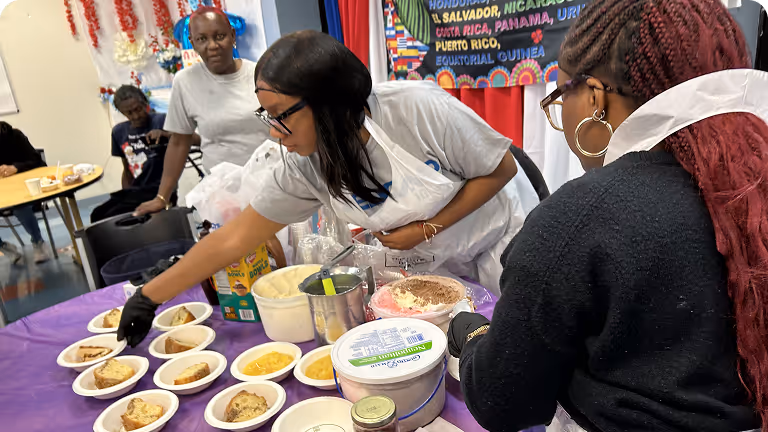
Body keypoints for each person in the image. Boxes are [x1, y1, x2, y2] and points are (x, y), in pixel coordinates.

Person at [448, 1, 767, 431]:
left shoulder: (580, 217)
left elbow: (502, 401)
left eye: (561, 96)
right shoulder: (753, 187)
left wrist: (470, 334)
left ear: (595, 98)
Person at [116, 30, 539, 348]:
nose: (276, 133)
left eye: (282, 115)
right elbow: (237, 236)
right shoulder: (305, 164)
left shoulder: (418, 109)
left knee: (522, 349)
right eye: (267, 115)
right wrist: (149, 297)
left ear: (329, 102)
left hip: (501, 247)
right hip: (435, 272)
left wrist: (426, 228)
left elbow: (499, 170)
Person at [133, 6, 271, 217]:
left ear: (232, 36)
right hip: (224, 194)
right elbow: (179, 141)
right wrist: (162, 197)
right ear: (193, 42)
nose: (212, 46)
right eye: (202, 39)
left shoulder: (260, 74)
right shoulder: (186, 82)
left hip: (270, 184)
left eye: (220, 36)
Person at [90, 86, 182, 223]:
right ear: (122, 113)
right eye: (129, 113)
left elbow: (185, 140)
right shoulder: (119, 132)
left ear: (145, 103)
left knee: (110, 218)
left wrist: (166, 135)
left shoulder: (160, 121)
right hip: (136, 191)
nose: (136, 116)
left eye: (138, 109)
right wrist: (127, 194)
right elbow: (127, 169)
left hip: (158, 190)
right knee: (97, 215)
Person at [0, 121, 52, 264]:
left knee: (19, 206)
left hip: (25, 190)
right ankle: (3, 247)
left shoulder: (14, 136)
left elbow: (38, 161)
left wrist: (16, 167)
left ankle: (38, 242)